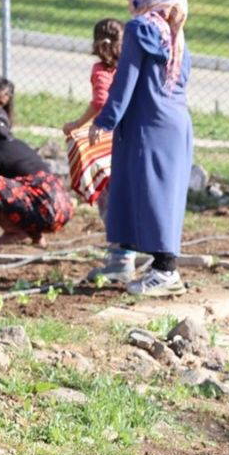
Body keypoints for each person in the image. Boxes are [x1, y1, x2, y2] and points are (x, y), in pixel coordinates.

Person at [89, 0, 194, 296]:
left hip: (148, 125)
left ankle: (165, 271)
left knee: (151, 193)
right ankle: (122, 257)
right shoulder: (174, 32)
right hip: (174, 124)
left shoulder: (140, 28)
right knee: (138, 189)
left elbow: (125, 80)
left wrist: (105, 120)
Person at [62, 18, 133, 281]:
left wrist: (77, 124)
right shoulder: (130, 68)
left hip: (106, 148)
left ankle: (120, 259)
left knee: (109, 200)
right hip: (133, 140)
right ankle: (138, 249)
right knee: (130, 199)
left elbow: (101, 101)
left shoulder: (101, 71)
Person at [0, 106, 73, 247]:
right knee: (18, 190)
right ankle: (36, 237)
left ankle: (15, 233)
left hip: (44, 207)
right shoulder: (19, 144)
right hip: (62, 209)